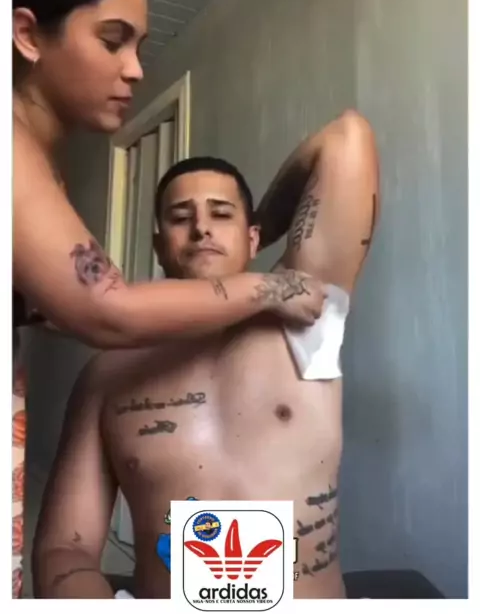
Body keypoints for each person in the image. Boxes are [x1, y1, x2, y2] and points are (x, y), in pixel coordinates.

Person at [11, 0, 325, 597]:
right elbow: (107, 309)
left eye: (140, 46)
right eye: (112, 41)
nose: (135, 69)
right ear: (27, 35)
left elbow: (342, 141)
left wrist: (252, 239)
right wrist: (269, 286)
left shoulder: (41, 171)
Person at [32, 109, 379, 599]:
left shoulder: (304, 320)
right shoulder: (106, 375)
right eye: (181, 218)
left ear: (253, 236)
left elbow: (346, 137)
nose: (201, 229)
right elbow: (64, 549)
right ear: (158, 246)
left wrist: (258, 239)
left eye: (221, 214)